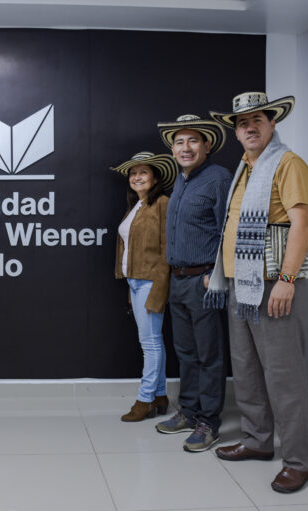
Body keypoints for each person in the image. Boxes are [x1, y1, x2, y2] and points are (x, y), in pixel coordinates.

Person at [206, 92, 308, 493]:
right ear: (235, 132)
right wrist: (221, 272)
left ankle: (300, 460)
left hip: (273, 282)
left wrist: (286, 281)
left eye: (257, 120)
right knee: (248, 369)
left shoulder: (287, 163)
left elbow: (302, 224)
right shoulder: (245, 169)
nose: (249, 127)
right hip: (241, 283)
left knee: (284, 376)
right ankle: (257, 441)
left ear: (272, 123)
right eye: (241, 123)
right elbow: (233, 225)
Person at [154, 114, 232, 452]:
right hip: (178, 279)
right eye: (180, 142)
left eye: (193, 140)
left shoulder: (218, 178)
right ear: (173, 150)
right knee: (185, 351)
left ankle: (208, 423)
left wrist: (213, 275)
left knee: (208, 354)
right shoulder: (181, 182)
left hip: (203, 280)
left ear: (207, 145)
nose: (186, 148)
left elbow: (227, 231)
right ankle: (188, 411)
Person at [110, 152, 177, 422]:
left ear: (155, 177)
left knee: (149, 343)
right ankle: (160, 395)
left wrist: (159, 288)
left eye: (143, 172)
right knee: (152, 340)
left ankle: (145, 399)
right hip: (135, 281)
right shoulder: (136, 206)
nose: (137, 177)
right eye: (133, 173)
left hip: (152, 281)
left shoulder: (163, 204)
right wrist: (130, 287)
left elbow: (167, 251)